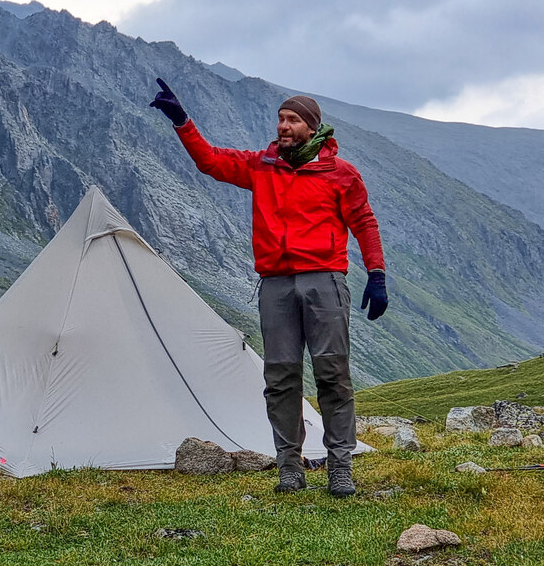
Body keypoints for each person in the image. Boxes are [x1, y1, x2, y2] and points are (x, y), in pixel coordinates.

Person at [150, 78, 387, 497]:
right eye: (280, 119)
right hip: (275, 283)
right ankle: (290, 468)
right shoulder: (263, 166)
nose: (283, 126)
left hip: (324, 280)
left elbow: (364, 222)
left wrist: (377, 274)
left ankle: (340, 468)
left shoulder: (339, 173)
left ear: (312, 128)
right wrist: (182, 121)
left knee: (333, 374)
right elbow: (211, 162)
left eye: (292, 120)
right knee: (281, 376)